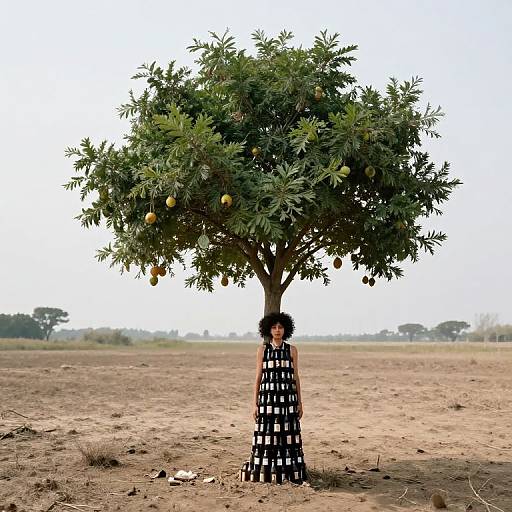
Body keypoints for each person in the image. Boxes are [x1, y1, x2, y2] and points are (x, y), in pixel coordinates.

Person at [239, 312, 308, 484]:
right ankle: (266, 471)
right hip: (267, 402)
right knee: (267, 436)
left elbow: (296, 377)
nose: (277, 330)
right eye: (274, 327)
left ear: (286, 329)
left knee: (287, 435)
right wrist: (254, 404)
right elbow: (258, 377)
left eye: (280, 327)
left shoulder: (292, 350)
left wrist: (300, 402)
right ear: (269, 330)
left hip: (288, 401)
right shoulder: (262, 350)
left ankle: (289, 472)